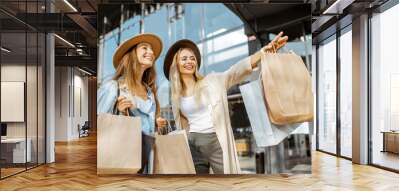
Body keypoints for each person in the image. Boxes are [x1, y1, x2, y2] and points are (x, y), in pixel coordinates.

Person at [163, 32, 288, 174]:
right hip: (192, 143)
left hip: (215, 141)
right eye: (184, 59)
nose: (189, 61)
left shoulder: (212, 81)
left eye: (192, 58)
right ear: (176, 65)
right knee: (198, 185)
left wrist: (262, 53)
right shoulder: (176, 97)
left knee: (226, 183)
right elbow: (183, 125)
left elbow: (234, 71)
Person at [97, 33, 167, 174]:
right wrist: (121, 113)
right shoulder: (112, 87)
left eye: (151, 49)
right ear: (131, 54)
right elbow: (99, 125)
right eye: (144, 48)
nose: (151, 52)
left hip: (148, 157)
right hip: (123, 156)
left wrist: (154, 123)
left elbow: (146, 127)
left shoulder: (150, 93)